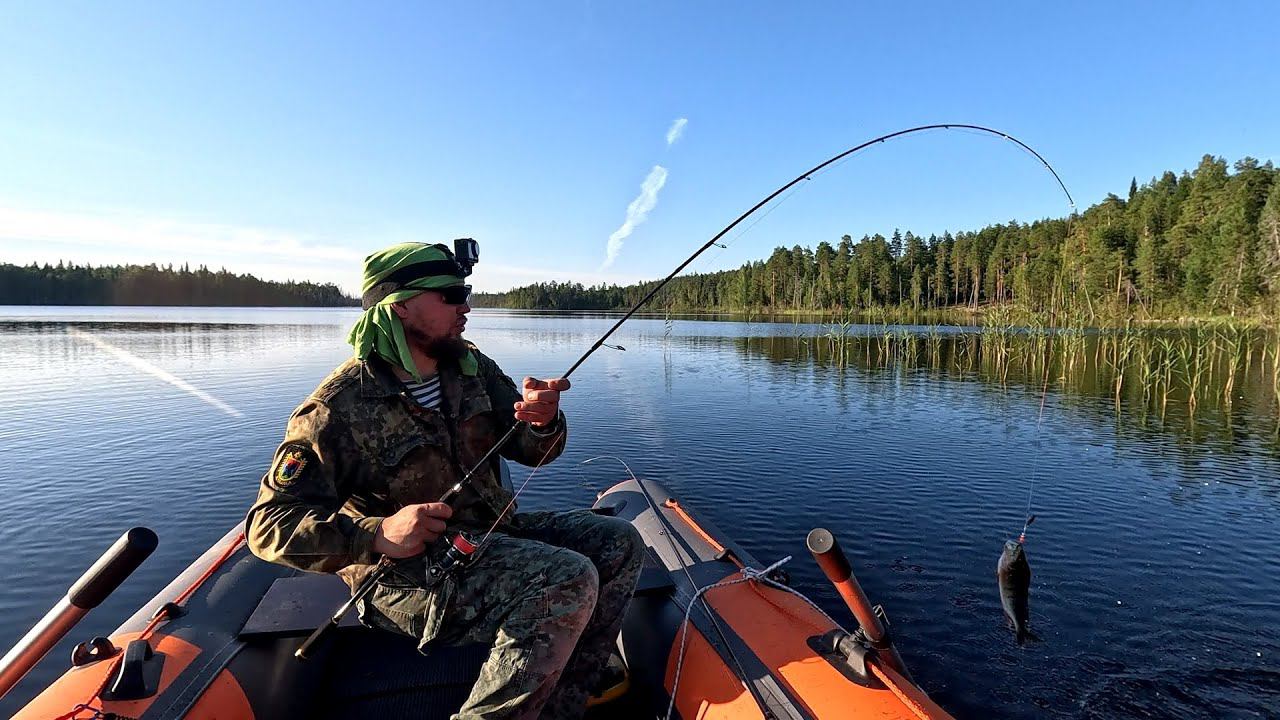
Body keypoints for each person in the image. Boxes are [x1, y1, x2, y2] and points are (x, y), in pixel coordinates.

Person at [245, 241, 644, 720]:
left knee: (618, 542)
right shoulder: (336, 408)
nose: (467, 306)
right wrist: (379, 534)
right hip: (405, 578)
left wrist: (541, 423)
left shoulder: (472, 369)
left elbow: (534, 452)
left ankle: (561, 705)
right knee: (566, 576)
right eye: (452, 295)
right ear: (400, 305)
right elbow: (268, 527)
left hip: (494, 537)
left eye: (466, 293)